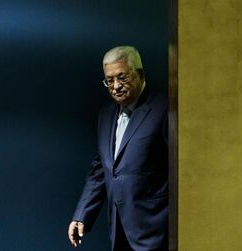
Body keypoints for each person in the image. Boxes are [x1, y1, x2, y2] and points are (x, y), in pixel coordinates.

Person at [68, 46, 168, 251]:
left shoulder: (164, 109)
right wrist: (81, 216)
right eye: (109, 80)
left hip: (156, 232)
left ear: (140, 74)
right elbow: (101, 172)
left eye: (122, 77)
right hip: (119, 231)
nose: (115, 86)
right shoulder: (105, 115)